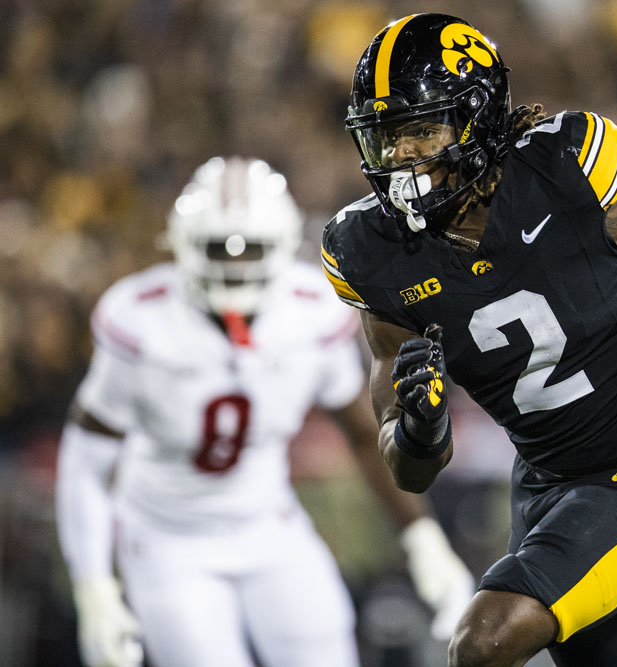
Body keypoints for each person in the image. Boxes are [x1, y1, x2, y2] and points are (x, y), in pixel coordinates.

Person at [321, 13, 617, 667]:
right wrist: (422, 425)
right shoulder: (371, 251)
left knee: (484, 639)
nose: (404, 156)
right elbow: (411, 467)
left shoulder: (568, 169)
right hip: (545, 484)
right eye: (387, 137)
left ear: (480, 118)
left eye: (421, 129)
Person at [55, 156, 475, 667]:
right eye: (218, 247)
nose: (234, 262)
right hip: (168, 539)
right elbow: (85, 461)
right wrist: (93, 586)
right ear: (182, 244)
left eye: (249, 247)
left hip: (269, 524)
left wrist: (420, 536)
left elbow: (365, 435)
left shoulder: (310, 313)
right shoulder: (141, 321)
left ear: (280, 245)